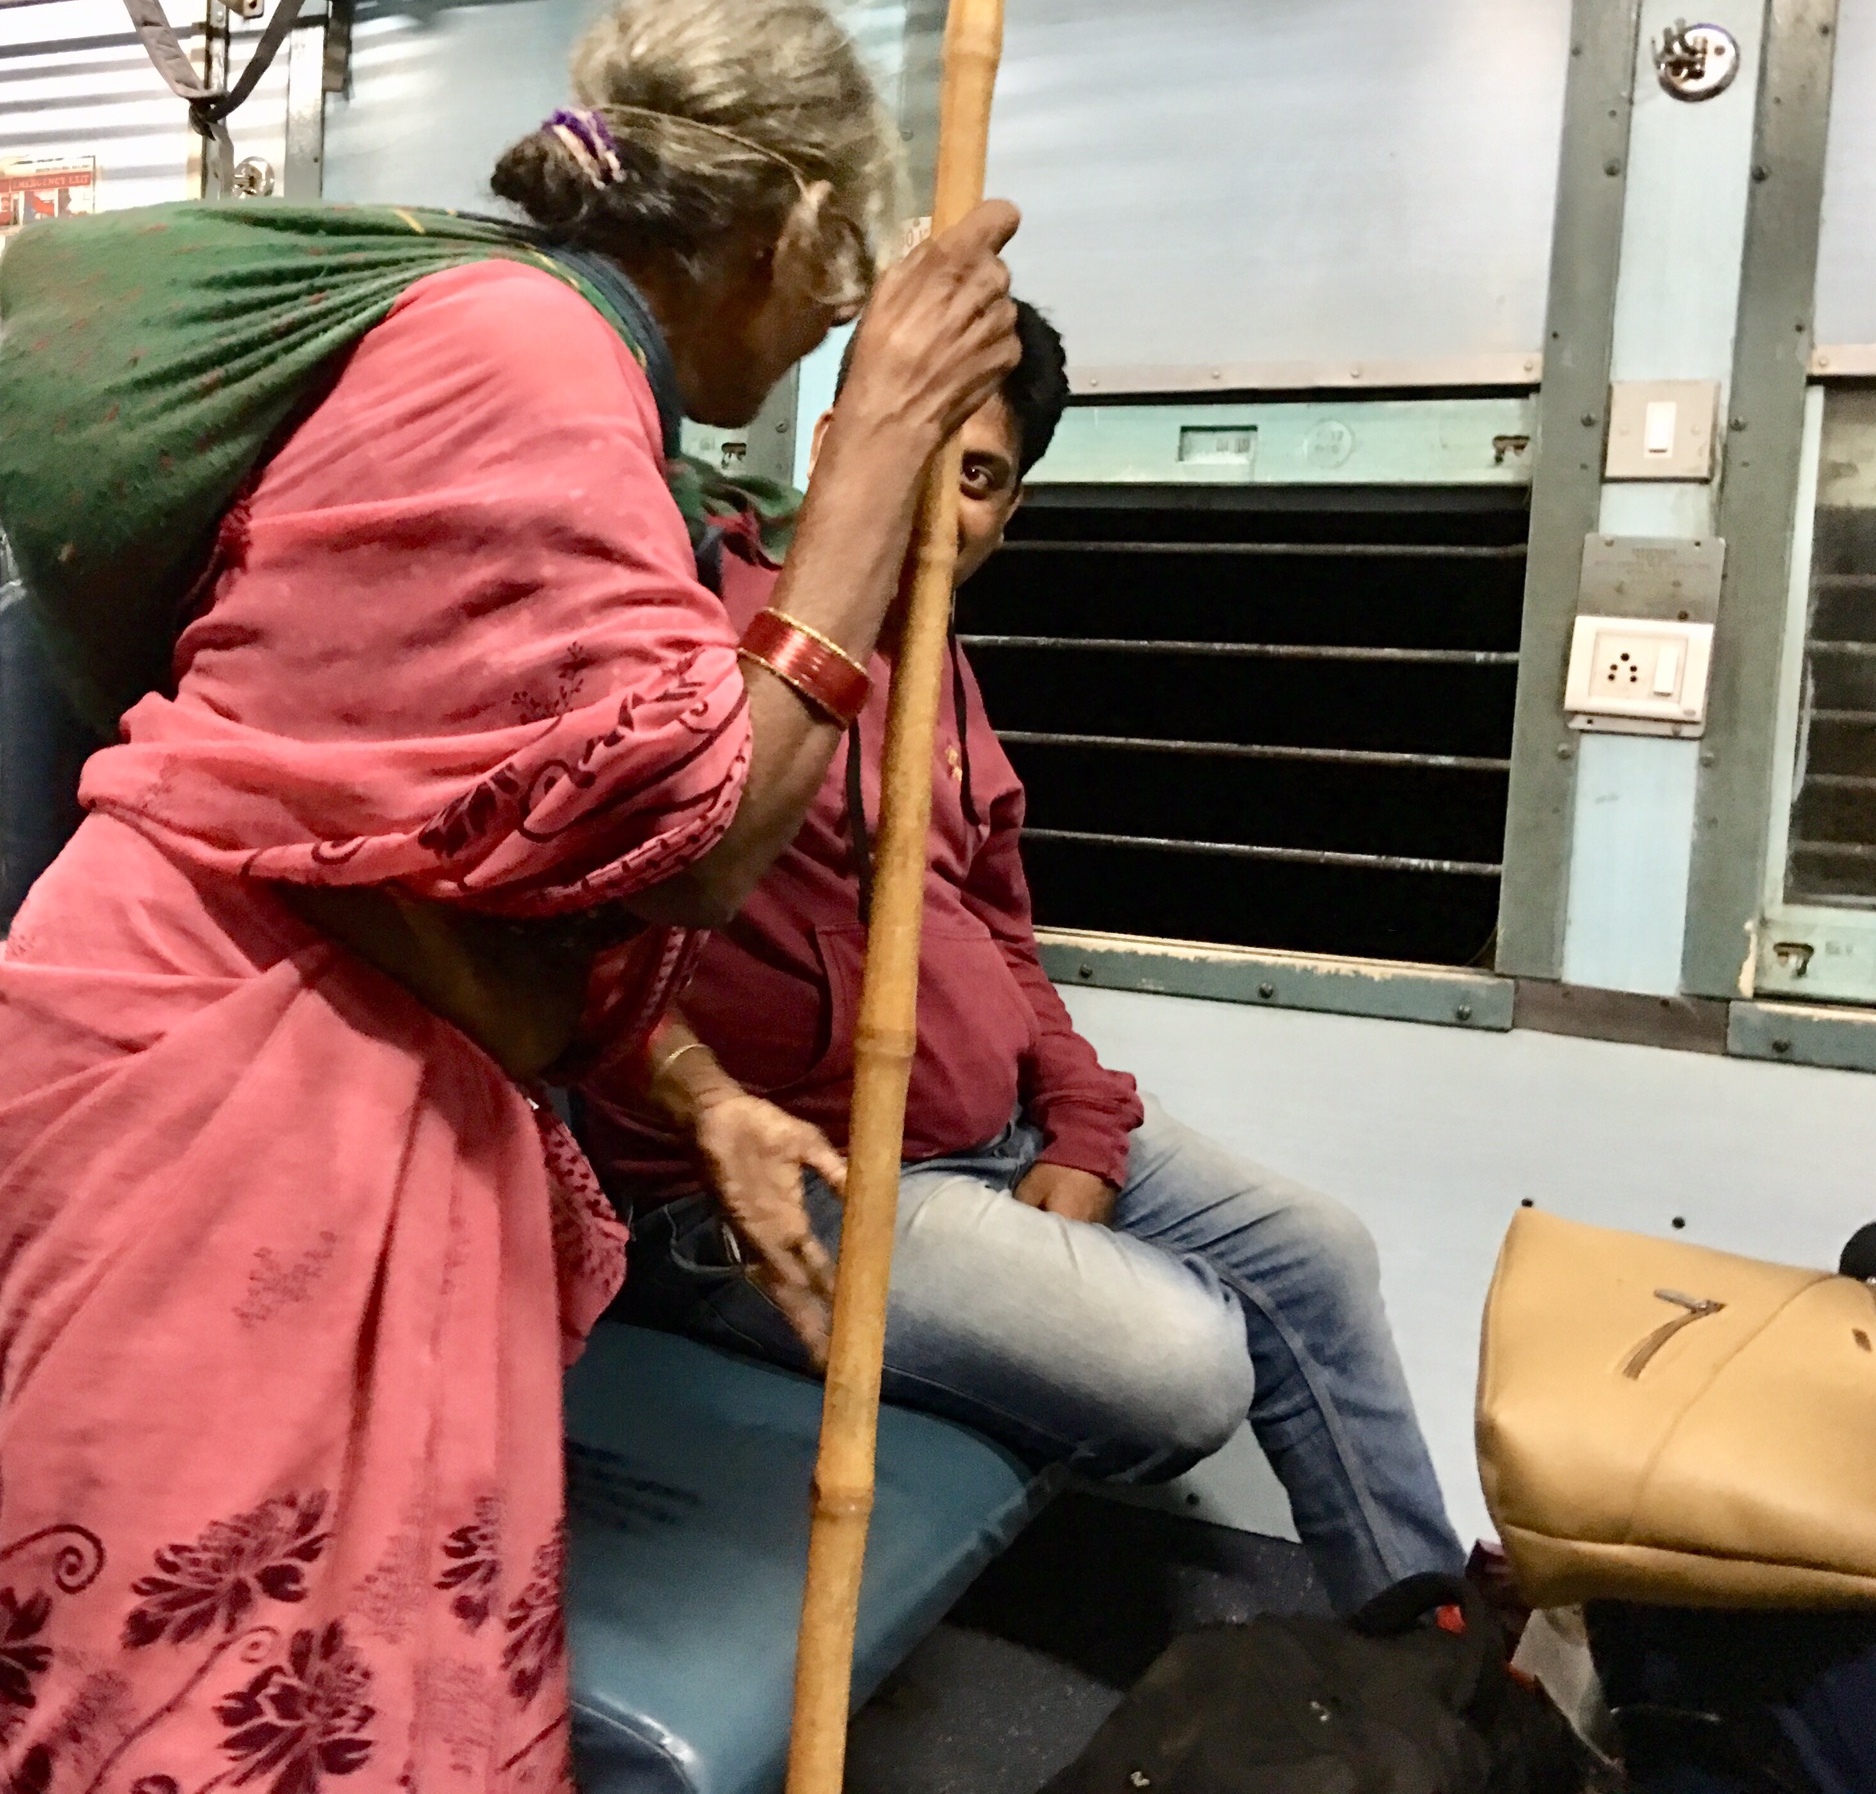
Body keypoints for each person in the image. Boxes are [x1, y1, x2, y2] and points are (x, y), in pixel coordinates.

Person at [0, 0, 1016, 1792]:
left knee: (331, 1705)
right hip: (215, 1080)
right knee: (187, 1715)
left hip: (318, 1052)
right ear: (789, 229)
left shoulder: (566, 379)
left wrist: (698, 1092)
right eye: (842, 285)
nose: (833, 325)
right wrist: (882, 455)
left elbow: (457, 843)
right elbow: (694, 823)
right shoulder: (517, 359)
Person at [579, 302, 1468, 1617]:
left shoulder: (944, 676)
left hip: (983, 1132)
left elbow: (995, 932)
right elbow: (583, 915)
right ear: (835, 444)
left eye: (983, 478)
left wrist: (1087, 1126)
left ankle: (1418, 1654)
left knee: (1317, 1254)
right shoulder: (703, 614)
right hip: (777, 1184)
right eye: (917, 454)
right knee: (1189, 1366)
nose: (944, 508)